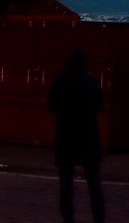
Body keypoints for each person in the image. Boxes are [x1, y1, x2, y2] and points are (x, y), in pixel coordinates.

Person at [47, 45, 105, 222]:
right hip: (88, 137)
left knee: (66, 184)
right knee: (94, 182)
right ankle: (99, 217)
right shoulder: (92, 82)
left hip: (66, 137)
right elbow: (99, 105)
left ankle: (68, 218)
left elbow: (52, 107)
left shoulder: (59, 81)